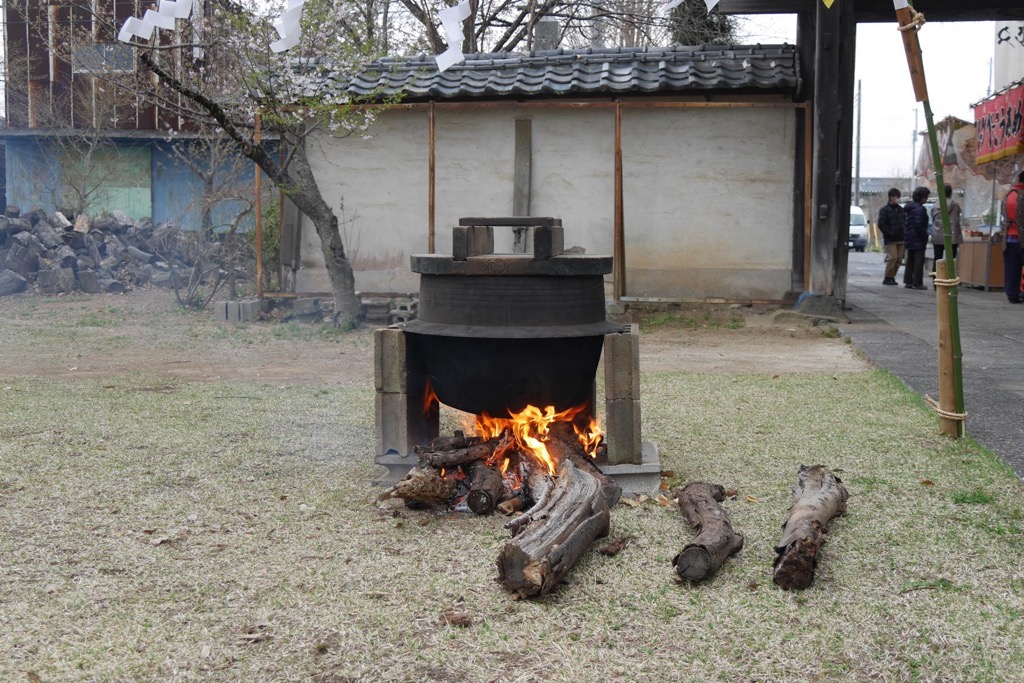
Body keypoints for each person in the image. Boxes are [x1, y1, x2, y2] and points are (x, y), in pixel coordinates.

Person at [903, 186, 930, 290]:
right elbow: (919, 225)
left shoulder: (909, 208)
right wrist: (924, 235)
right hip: (918, 238)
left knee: (910, 260)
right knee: (919, 260)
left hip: (909, 236)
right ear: (922, 197)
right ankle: (917, 282)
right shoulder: (920, 209)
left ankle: (908, 281)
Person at [1003, 170, 1024, 304]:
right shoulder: (1022, 195)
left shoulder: (1008, 195)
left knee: (1012, 268)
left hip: (1009, 237)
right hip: (1021, 237)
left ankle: (1012, 294)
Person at [878, 188, 905, 285]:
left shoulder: (901, 210)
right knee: (892, 257)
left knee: (899, 259)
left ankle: (892, 276)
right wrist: (889, 233)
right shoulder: (884, 210)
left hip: (901, 238)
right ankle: (888, 277)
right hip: (890, 239)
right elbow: (881, 224)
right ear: (890, 197)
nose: (897, 199)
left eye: (898, 197)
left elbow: (904, 222)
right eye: (895, 197)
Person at [930, 183, 963, 264]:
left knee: (937, 259)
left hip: (938, 235)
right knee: (951, 260)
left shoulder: (935, 206)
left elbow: (933, 218)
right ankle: (950, 276)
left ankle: (936, 276)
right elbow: (958, 215)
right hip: (952, 236)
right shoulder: (955, 205)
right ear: (950, 193)